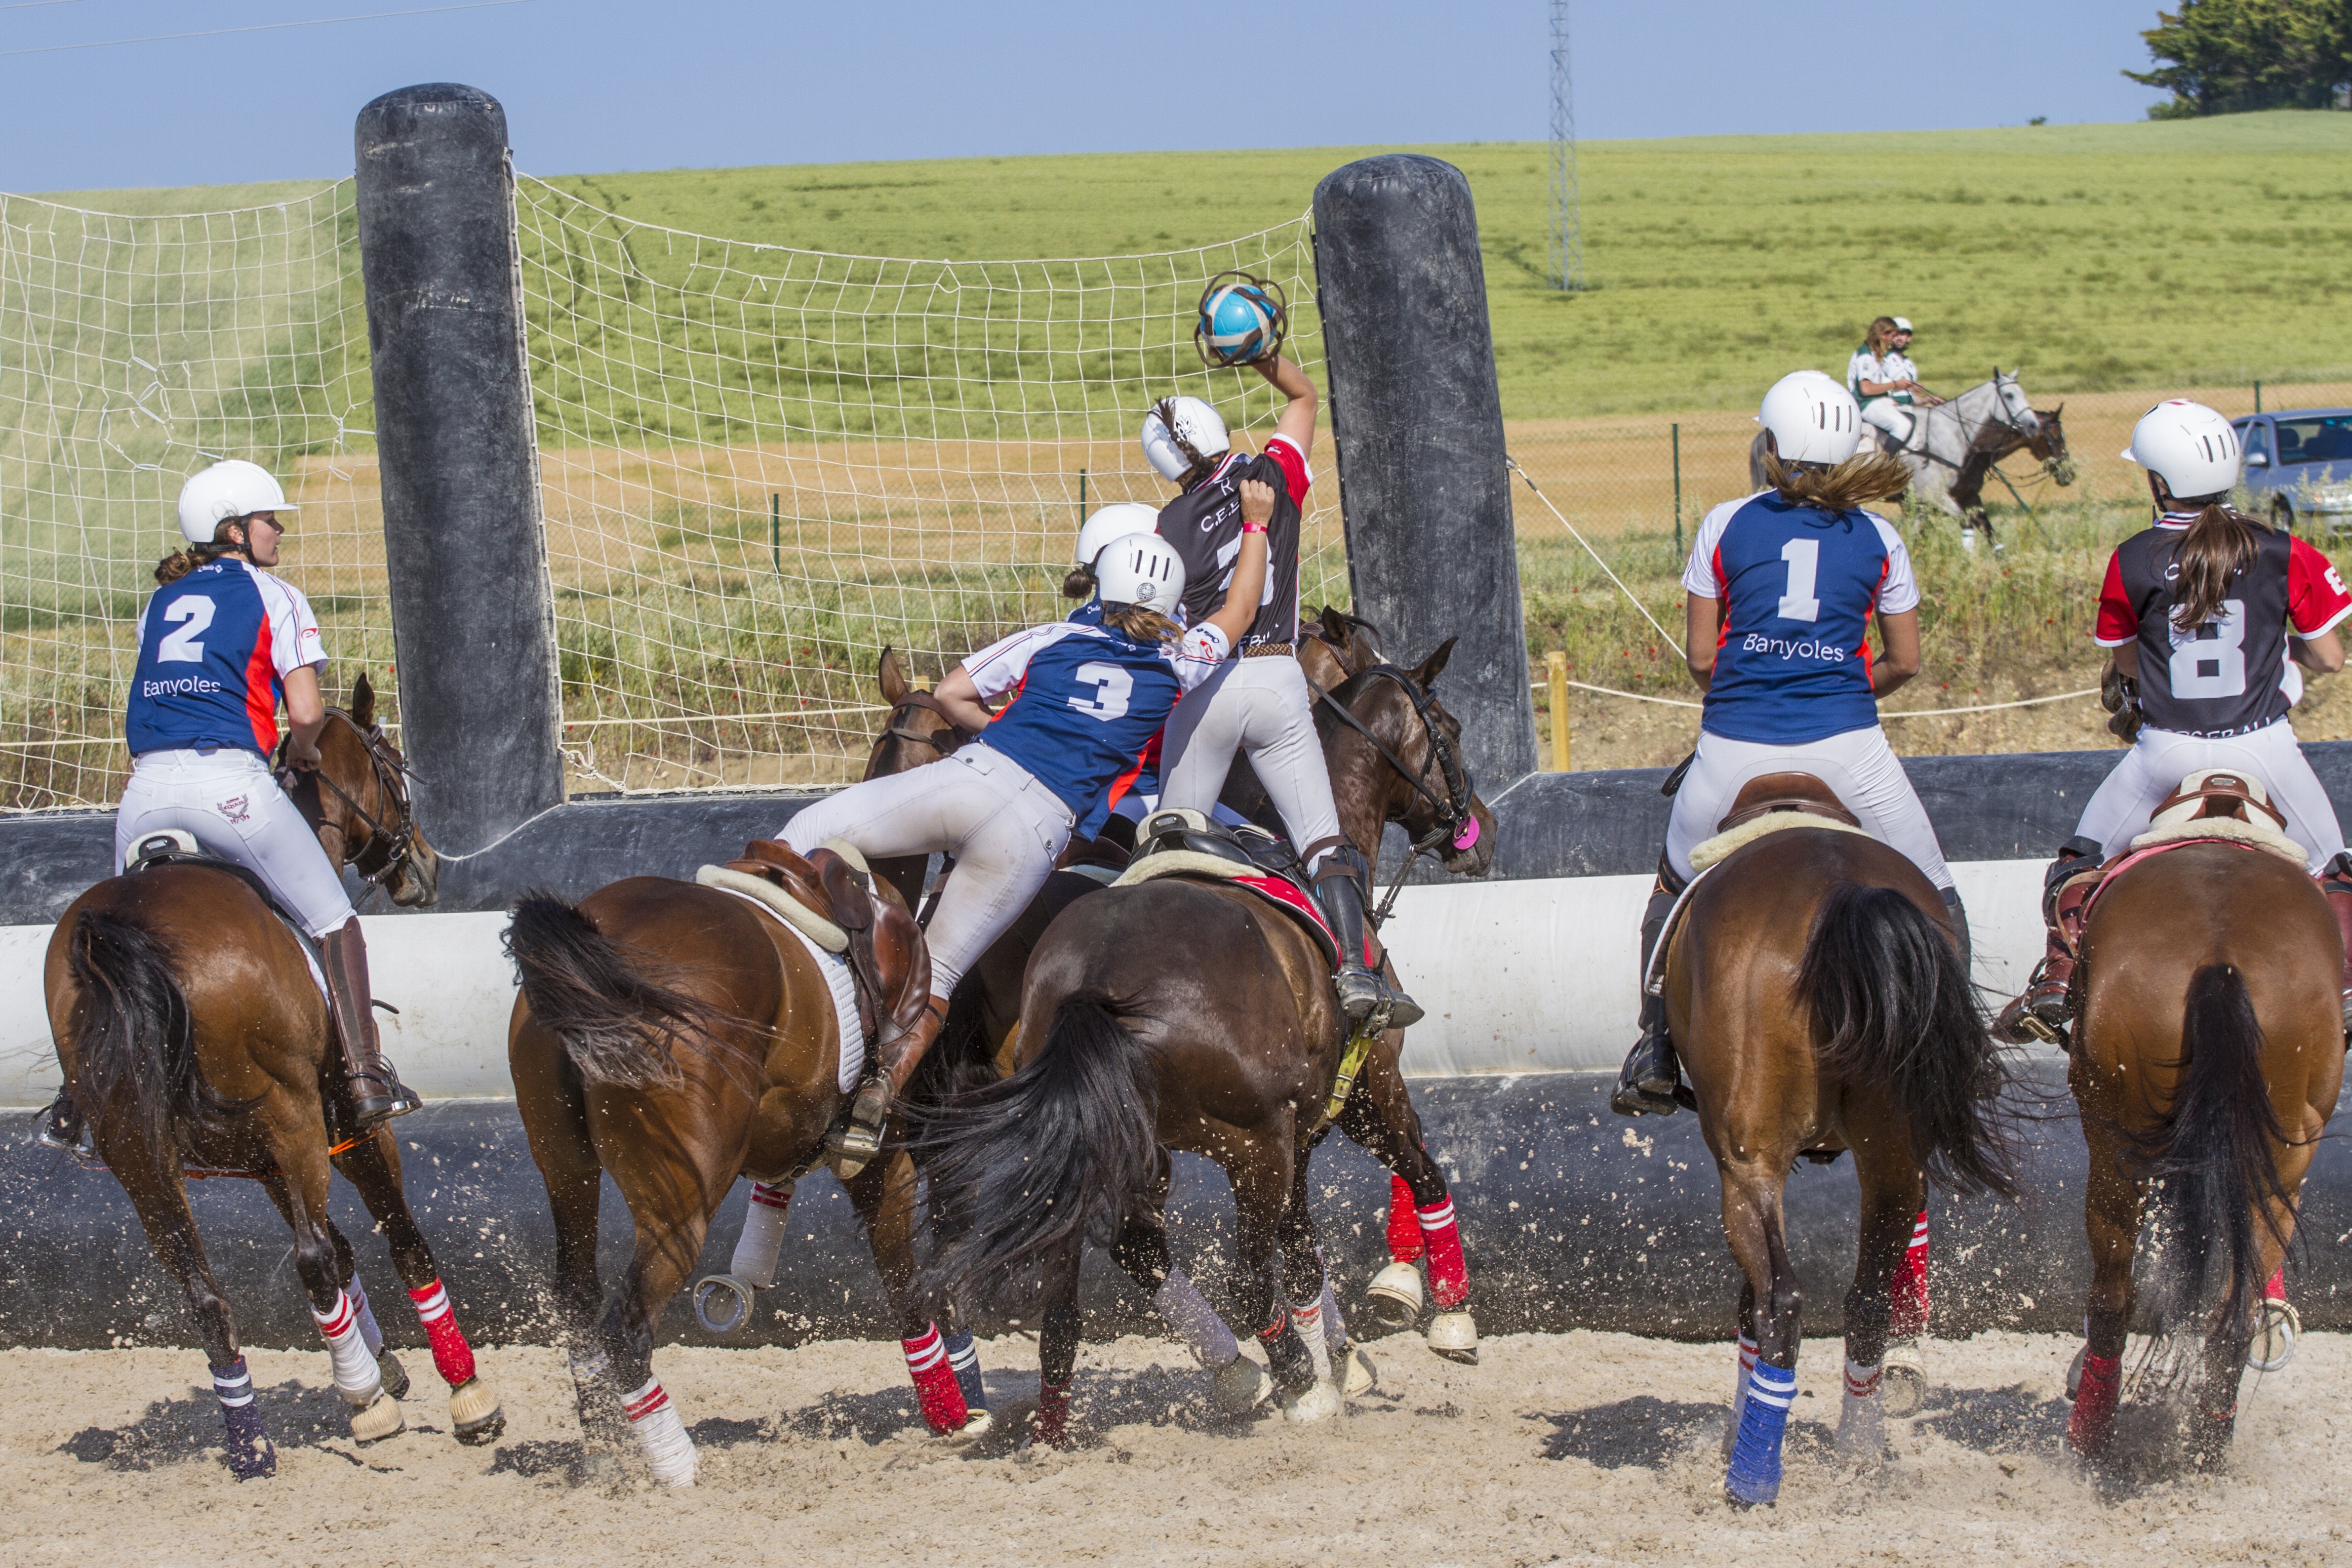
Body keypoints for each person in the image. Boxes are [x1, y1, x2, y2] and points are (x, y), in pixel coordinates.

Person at [781, 520, 1269, 1164]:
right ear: (1170, 598)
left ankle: (821, 1001)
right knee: (944, 973)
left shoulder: (1056, 635)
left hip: (975, 777)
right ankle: (876, 1094)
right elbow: (1240, 605)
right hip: (1037, 832)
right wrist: (1256, 523)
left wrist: (1003, 728)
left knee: (806, 834)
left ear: (1105, 588)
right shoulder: (1184, 660)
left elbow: (953, 695)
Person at [1614, 371, 1966, 1117]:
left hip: (1734, 745)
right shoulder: (1880, 536)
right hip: (1850, 746)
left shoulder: (1724, 522)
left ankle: (1654, 1042)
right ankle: (1962, 1035)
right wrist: (1835, 691)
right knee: (1933, 888)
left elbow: (1704, 659)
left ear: (1771, 445)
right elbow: (1905, 660)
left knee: (1672, 889)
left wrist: (1760, 682)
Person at [42, 459, 416, 1152]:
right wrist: (303, 750)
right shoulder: (277, 595)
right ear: (235, 530)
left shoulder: (161, 603)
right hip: (231, 788)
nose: (278, 529)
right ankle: (366, 1078)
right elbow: (305, 711)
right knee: (335, 920)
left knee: (114, 936)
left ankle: (81, 1093)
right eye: (270, 518)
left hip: (144, 798)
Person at [1994, 398, 2352, 1044]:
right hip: (2265, 748)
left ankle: (2055, 982)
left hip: (2165, 754)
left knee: (2078, 864)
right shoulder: (2284, 547)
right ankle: (2347, 988)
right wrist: (2276, 647)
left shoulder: (2131, 558)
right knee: (2336, 870)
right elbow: (2330, 657)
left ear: (2158, 481)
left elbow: (2128, 667)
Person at [1142, 353, 1419, 1027]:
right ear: (1217, 433)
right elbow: (1304, 396)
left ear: (1168, 465)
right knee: (1324, 841)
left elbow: (1163, 619)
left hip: (1207, 685)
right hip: (1275, 676)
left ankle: (1151, 978)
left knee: (1163, 847)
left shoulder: (1167, 525)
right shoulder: (1268, 474)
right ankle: (1357, 972)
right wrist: (1264, 354)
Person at [1846, 316, 1940, 453]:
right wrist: (1896, 385)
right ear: (1883, 335)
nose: (1894, 340)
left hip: (1877, 401)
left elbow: (1883, 386)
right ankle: (1886, 464)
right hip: (1865, 404)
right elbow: (1866, 390)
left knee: (1911, 418)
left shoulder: (1876, 354)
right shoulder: (1865, 356)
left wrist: (1910, 391)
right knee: (1903, 425)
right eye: (1893, 335)